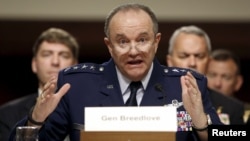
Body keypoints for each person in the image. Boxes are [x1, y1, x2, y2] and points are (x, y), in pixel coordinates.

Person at [8, 3, 222, 141]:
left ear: (156, 42)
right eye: (122, 42)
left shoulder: (186, 84)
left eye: (142, 40)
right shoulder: (76, 85)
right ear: (109, 45)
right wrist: (35, 120)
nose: (133, 51)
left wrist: (201, 123)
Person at [0, 27, 79, 141]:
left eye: (64, 55)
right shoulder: (6, 114)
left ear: (75, 66)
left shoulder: (91, 110)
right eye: (47, 54)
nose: (55, 62)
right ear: (34, 64)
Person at [166, 25, 245, 125]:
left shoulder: (232, 108)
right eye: (184, 56)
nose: (192, 63)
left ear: (209, 62)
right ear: (170, 61)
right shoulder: (149, 98)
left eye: (199, 56)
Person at [206, 49, 250, 124]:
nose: (217, 84)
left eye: (226, 77)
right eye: (212, 75)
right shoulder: (191, 108)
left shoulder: (246, 113)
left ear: (238, 83)